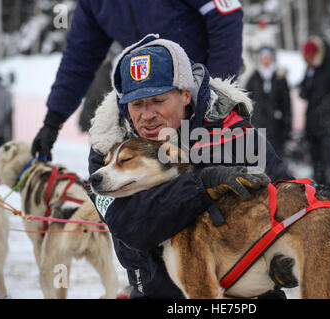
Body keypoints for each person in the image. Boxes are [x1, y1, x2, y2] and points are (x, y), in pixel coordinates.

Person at [88, 34, 295, 299]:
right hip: (160, 294)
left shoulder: (235, 132)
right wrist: (203, 185)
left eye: (159, 101)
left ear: (185, 95)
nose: (147, 115)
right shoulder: (108, 148)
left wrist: (287, 251)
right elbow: (132, 225)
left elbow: (290, 198)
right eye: (136, 104)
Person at [31, 0, 244, 161]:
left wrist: (214, 91)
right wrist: (53, 119)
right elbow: (79, 57)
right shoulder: (95, 4)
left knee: (224, 171)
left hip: (198, 91)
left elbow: (226, 16)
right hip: (144, 98)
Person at [299, 36, 330, 190]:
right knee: (317, 163)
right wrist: (302, 90)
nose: (307, 60)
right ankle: (320, 196)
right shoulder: (310, 68)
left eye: (309, 57)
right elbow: (305, 88)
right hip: (313, 123)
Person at [245, 46, 292, 158]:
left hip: (276, 126)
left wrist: (287, 126)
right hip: (257, 125)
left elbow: (286, 104)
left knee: (276, 157)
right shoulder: (253, 78)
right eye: (263, 58)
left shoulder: (280, 78)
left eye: (268, 58)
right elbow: (246, 100)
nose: (266, 60)